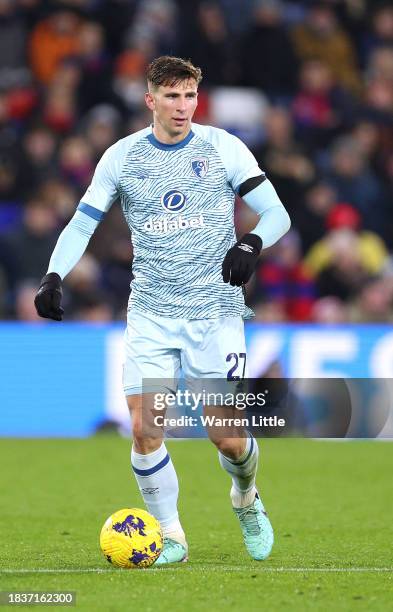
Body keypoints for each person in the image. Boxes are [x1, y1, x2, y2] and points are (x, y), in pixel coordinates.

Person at [34, 56, 290, 565]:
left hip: (215, 314)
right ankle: (171, 536)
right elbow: (82, 224)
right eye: (172, 96)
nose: (183, 106)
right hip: (151, 313)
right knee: (146, 427)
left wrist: (251, 244)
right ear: (150, 99)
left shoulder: (223, 148)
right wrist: (53, 274)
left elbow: (277, 212)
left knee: (228, 438)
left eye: (191, 95)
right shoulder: (122, 157)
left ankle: (246, 497)